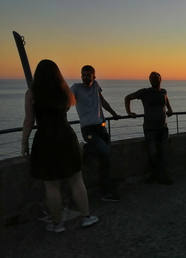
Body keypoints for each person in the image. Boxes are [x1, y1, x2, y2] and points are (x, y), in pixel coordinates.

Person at [21, 60, 98, 232]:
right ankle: (86, 217)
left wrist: (24, 142)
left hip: (45, 139)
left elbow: (28, 121)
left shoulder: (32, 93)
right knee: (77, 179)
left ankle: (58, 224)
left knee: (51, 185)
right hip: (66, 136)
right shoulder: (65, 92)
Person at [71, 65, 121, 202]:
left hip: (101, 127)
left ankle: (106, 191)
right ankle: (84, 147)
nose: (86, 77)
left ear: (94, 76)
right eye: (83, 75)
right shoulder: (76, 88)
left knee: (105, 160)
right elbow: (66, 101)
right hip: (88, 129)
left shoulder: (96, 86)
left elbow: (102, 101)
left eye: (88, 75)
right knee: (106, 152)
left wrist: (114, 114)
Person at [125, 72, 174, 185]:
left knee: (163, 153)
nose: (153, 80)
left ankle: (163, 176)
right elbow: (128, 97)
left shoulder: (163, 91)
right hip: (150, 128)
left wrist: (170, 109)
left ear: (160, 79)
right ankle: (154, 175)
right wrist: (129, 112)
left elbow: (165, 99)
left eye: (155, 78)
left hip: (163, 127)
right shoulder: (145, 92)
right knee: (152, 153)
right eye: (151, 78)